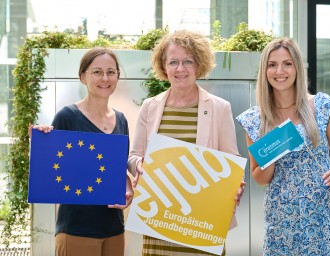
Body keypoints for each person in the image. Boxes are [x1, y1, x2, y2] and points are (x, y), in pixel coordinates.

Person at [127, 29, 246, 256]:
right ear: (163, 66)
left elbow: (232, 161)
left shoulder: (220, 108)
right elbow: (133, 157)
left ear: (199, 65)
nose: (180, 69)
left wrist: (235, 185)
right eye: (173, 62)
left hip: (202, 226)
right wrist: (139, 164)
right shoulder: (150, 107)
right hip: (158, 223)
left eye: (187, 61)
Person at [237, 37, 330, 255]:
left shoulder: (323, 106)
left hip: (325, 216)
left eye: (287, 63)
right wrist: (272, 148)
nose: (280, 71)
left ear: (297, 67)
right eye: (272, 64)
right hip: (283, 222)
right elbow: (260, 178)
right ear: (265, 70)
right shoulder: (255, 120)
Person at [29, 47, 134, 256]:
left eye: (111, 72)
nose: (105, 78)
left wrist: (127, 190)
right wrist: (41, 141)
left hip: (114, 229)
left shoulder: (121, 119)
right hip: (76, 230)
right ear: (82, 77)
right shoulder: (67, 116)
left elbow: (118, 169)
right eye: (97, 72)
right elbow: (48, 169)